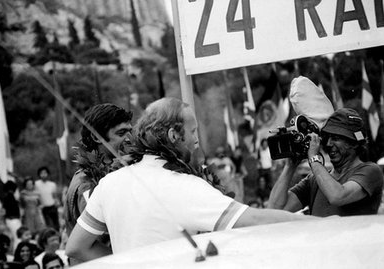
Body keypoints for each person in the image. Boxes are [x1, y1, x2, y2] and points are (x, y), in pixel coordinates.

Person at [65, 97, 313, 262]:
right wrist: (323, 223)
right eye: (193, 131)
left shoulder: (110, 182)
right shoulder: (183, 185)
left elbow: (76, 247)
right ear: (174, 134)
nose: (196, 140)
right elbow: (255, 218)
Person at [269, 108, 384, 216]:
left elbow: (338, 196)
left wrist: (313, 158)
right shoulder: (315, 179)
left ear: (354, 143)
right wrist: (290, 166)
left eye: (336, 138)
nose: (328, 144)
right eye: (327, 137)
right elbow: (275, 210)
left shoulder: (371, 171)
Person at [64, 104, 133, 238]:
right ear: (96, 137)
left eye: (130, 131)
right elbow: (100, 237)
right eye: (121, 133)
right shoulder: (86, 183)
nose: (129, 138)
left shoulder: (122, 171)